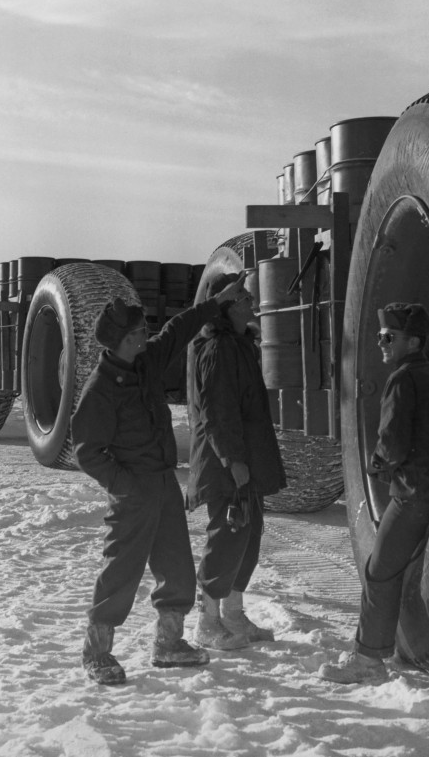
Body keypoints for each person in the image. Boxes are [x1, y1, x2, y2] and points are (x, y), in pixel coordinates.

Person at [72, 273, 250, 686]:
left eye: (143, 331)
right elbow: (87, 452)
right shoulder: (100, 389)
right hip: (133, 491)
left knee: (177, 569)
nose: (143, 338)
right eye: (135, 334)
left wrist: (216, 302)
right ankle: (96, 652)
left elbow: (179, 329)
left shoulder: (146, 360)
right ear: (116, 340)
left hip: (163, 484)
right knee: (120, 573)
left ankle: (168, 644)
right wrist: (125, 485)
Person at [319, 302, 429, 683]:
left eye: (388, 336)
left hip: (410, 492)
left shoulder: (402, 379)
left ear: (413, 341)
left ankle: (368, 661)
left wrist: (376, 464)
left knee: (378, 571)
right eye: (379, 336)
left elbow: (391, 441)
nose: (381, 342)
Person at [186, 272, 287, 651]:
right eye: (242, 295)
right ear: (224, 307)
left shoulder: (241, 345)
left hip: (244, 460)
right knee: (228, 535)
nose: (250, 299)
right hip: (224, 462)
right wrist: (233, 461)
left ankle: (232, 614)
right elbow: (217, 413)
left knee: (248, 533)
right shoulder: (218, 349)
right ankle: (207, 622)